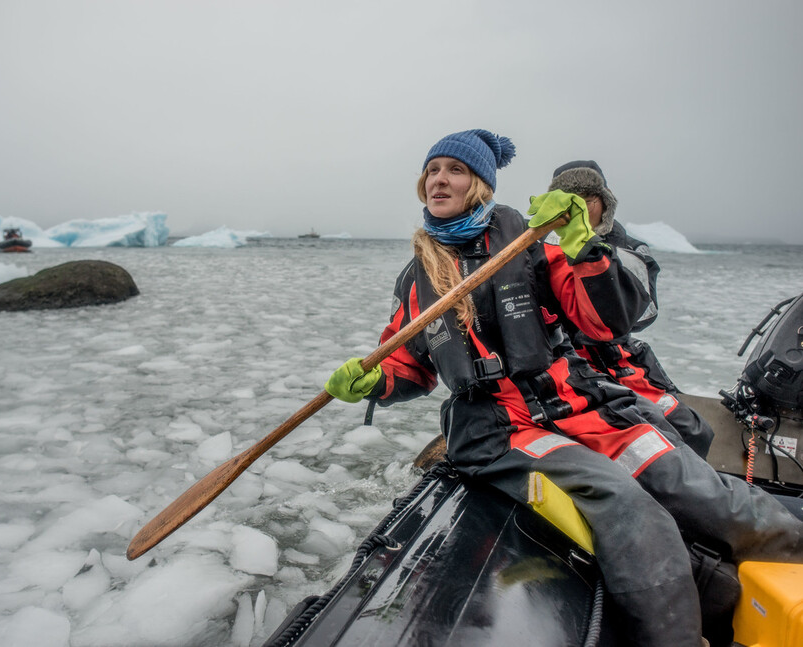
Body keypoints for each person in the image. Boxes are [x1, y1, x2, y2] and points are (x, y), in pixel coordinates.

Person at [324, 129, 803, 647]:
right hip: (502, 429)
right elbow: (408, 363)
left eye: (454, 169)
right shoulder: (414, 279)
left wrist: (585, 250)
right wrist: (377, 380)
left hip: (578, 405)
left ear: (480, 185)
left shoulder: (532, 245)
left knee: (700, 486)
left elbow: (604, 323)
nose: (440, 179)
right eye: (432, 170)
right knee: (628, 506)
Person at [544, 160, 715, 457]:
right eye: (566, 200)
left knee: (690, 430)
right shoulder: (539, 247)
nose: (577, 208)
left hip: (619, 361)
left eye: (586, 198)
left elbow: (641, 316)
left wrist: (595, 263)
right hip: (563, 363)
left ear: (604, 200)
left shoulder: (629, 250)